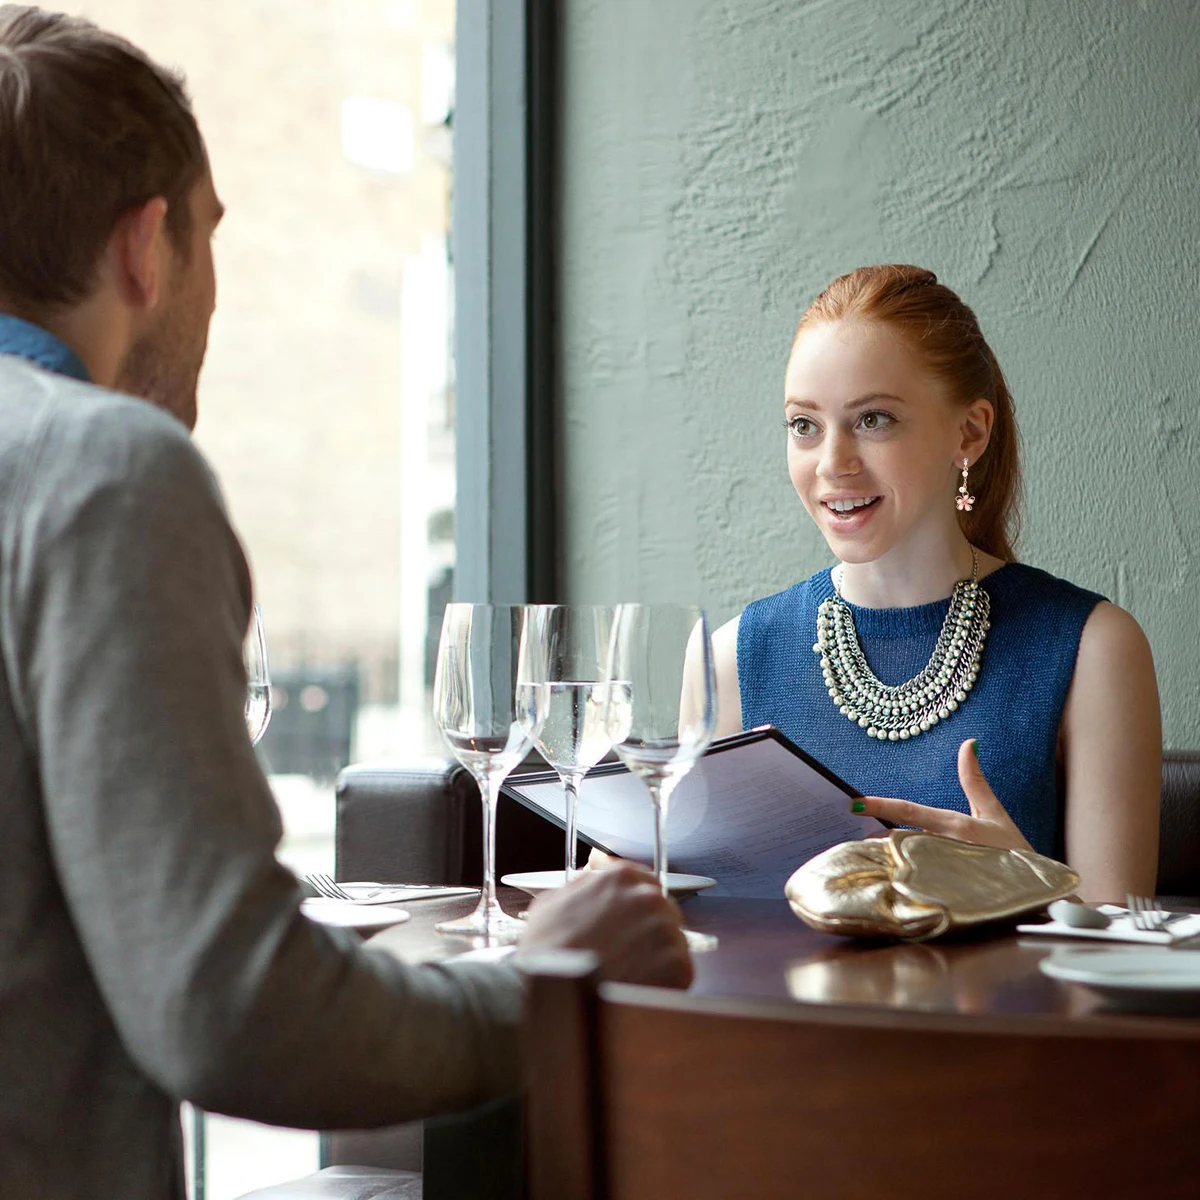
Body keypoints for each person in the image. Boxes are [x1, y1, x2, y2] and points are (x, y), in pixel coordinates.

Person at [0, 7, 689, 1198]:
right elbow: (234, 1012)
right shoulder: (102, 474)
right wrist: (547, 975)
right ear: (148, 248)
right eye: (215, 239)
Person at [713, 264, 1160, 904]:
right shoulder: (733, 658)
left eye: (874, 420)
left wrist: (1037, 889)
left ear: (969, 432)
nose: (832, 463)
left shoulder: (1094, 647)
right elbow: (719, 927)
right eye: (804, 425)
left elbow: (1123, 956)